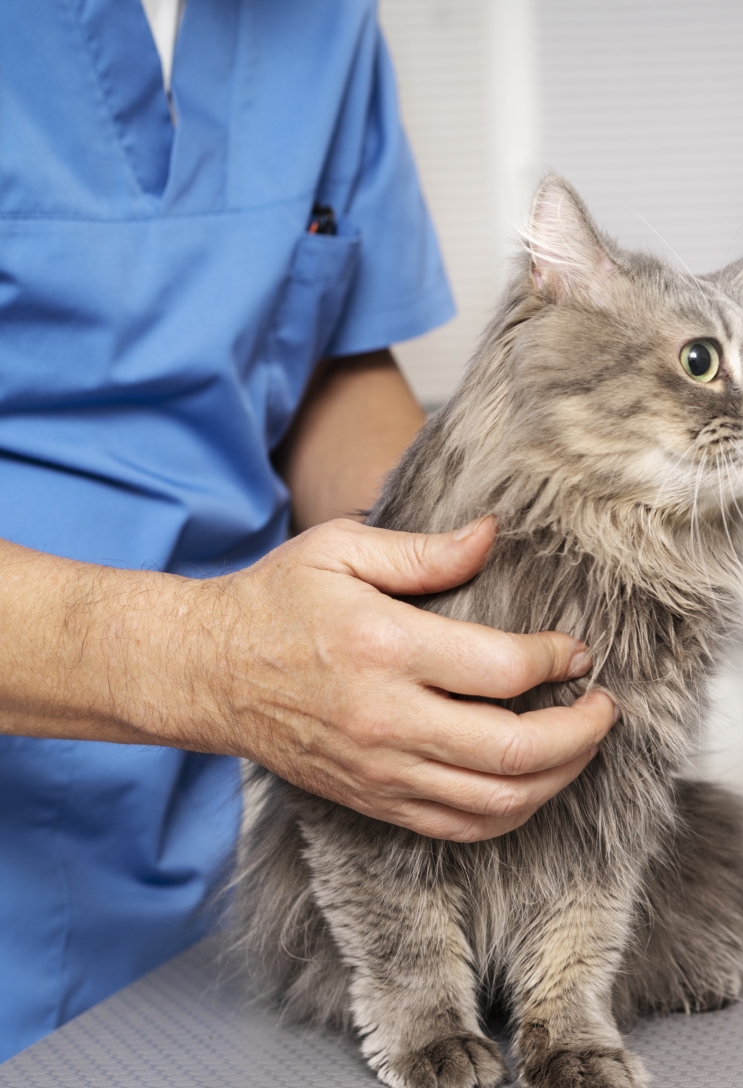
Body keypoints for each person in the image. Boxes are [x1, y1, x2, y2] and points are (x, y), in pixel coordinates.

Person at [0, 0, 614, 1060]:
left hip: (179, 897)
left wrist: (481, 568)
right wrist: (210, 660)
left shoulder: (327, 25)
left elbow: (322, 358)